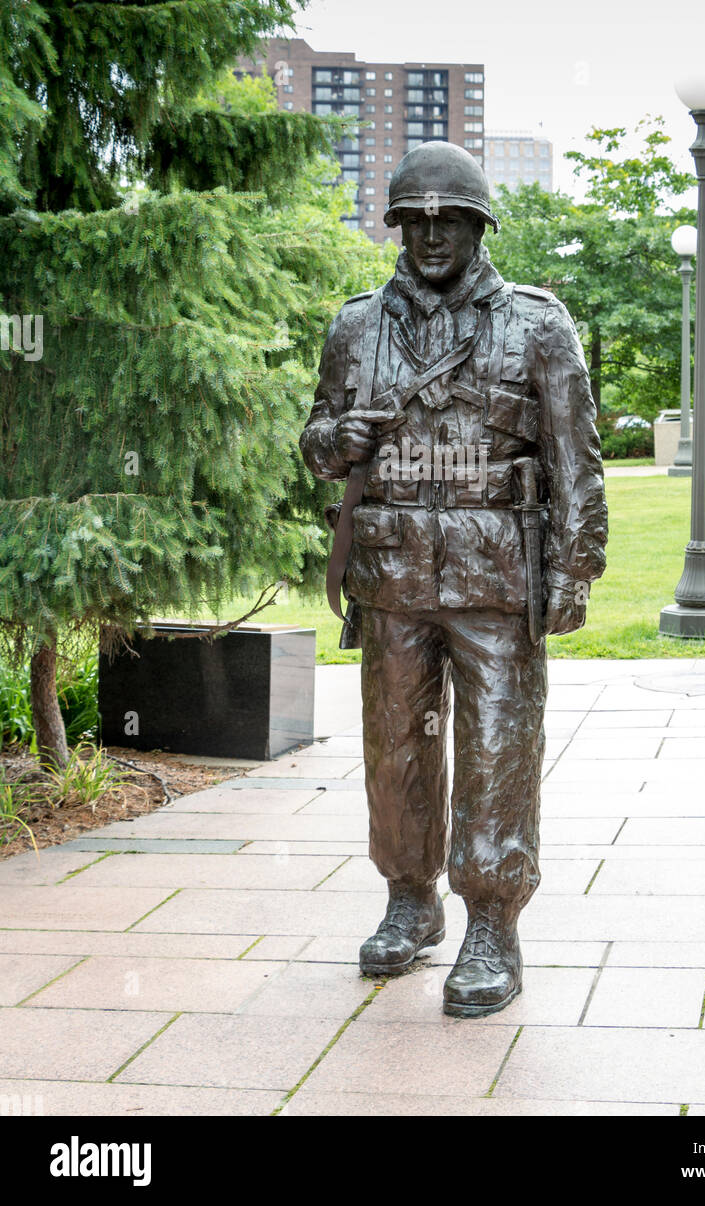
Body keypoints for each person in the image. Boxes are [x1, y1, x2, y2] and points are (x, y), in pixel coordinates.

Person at [300, 141, 607, 1016]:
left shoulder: (537, 323)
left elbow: (576, 461)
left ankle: (492, 922)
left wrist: (575, 570)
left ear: (477, 223)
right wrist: (336, 443)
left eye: (450, 217)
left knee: (498, 749)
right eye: (416, 218)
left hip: (496, 575)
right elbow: (317, 441)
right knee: (394, 743)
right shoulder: (356, 326)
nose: (432, 234)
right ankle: (408, 898)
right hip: (392, 571)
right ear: (397, 223)